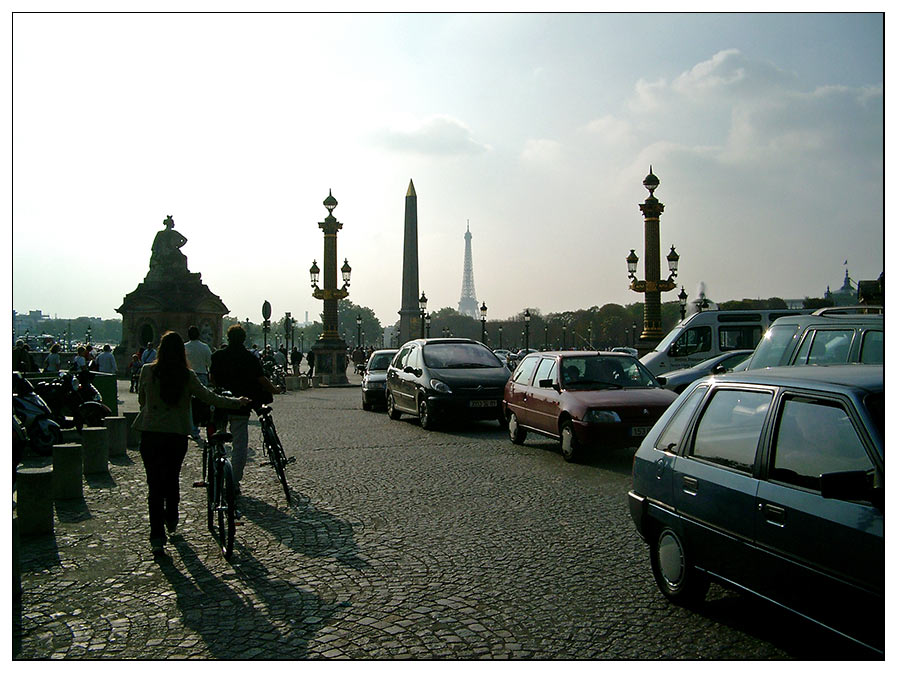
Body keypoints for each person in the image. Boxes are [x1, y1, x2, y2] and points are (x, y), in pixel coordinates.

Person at [133, 330, 250, 555]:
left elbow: (142, 400)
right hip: (176, 434)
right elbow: (209, 397)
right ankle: (172, 516)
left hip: (150, 434)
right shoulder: (187, 376)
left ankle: (156, 536)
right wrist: (237, 402)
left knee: (154, 485)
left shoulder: (147, 371)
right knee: (172, 478)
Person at [210, 324, 279, 496]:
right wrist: (274, 389)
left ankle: (217, 468)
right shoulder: (250, 358)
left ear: (228, 337)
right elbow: (261, 379)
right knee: (240, 444)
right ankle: (234, 482)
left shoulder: (218, 356)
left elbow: (212, 379)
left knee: (217, 438)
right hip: (242, 405)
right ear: (243, 339)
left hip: (221, 403)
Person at [184, 325, 213, 440]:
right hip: (201, 375)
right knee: (201, 404)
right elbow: (210, 364)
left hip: (187, 375)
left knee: (188, 404)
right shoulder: (205, 347)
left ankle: (191, 428)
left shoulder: (184, 347)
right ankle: (201, 425)